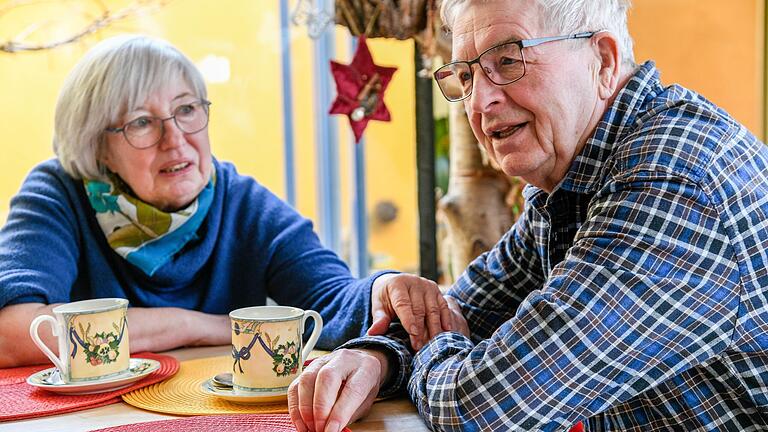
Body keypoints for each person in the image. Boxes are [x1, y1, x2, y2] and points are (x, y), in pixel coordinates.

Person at [288, 0, 768, 431]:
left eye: (508, 60)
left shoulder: (674, 180)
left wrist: (429, 348)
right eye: (468, 75)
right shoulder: (574, 177)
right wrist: (379, 357)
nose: (479, 102)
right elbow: (464, 312)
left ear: (603, 60)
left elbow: (481, 409)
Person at [0, 35, 450, 368]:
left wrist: (384, 290)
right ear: (98, 147)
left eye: (187, 109)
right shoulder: (57, 193)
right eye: (141, 122)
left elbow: (329, 302)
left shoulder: (243, 204)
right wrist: (197, 326)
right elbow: (14, 332)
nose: (175, 140)